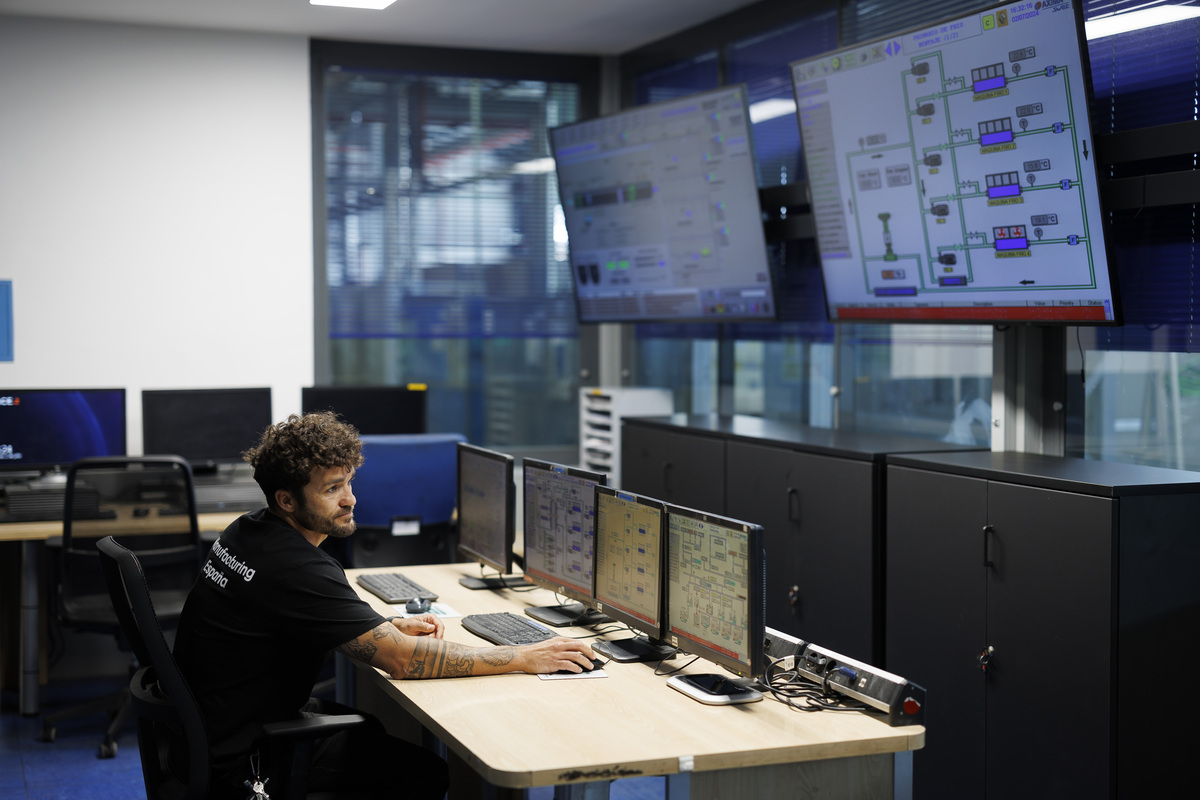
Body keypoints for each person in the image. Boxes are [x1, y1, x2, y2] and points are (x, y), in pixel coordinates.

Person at [173, 411, 597, 799]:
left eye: (349, 483)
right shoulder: (296, 567)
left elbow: (301, 617)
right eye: (332, 489)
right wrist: (522, 656)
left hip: (208, 733)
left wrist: (387, 623)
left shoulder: (247, 531)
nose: (350, 499)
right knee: (422, 772)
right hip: (245, 762)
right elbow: (401, 661)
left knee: (372, 729)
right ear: (287, 500)